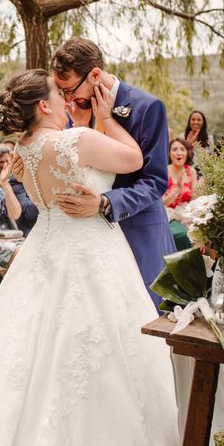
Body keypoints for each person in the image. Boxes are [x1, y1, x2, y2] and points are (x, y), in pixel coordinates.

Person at [0, 69, 180, 446]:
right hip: (90, 248)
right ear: (43, 104)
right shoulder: (76, 139)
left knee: (29, 341)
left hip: (45, 247)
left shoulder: (23, 150)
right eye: (60, 94)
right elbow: (134, 159)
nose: (67, 101)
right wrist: (106, 119)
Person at [48, 36, 176, 308]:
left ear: (95, 74)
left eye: (70, 90)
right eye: (62, 92)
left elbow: (154, 182)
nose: (68, 99)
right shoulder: (76, 111)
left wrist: (106, 203)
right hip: (91, 236)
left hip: (138, 228)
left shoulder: (147, 107)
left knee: (147, 314)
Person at [163, 138, 198, 251]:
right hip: (169, 213)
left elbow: (193, 199)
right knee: (181, 235)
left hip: (187, 212)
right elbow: (162, 202)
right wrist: (177, 189)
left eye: (182, 149)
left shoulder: (191, 171)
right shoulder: (164, 171)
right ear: (169, 153)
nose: (178, 152)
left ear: (187, 153)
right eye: (174, 149)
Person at [0, 145, 38, 236]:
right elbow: (30, 212)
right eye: (0, 162)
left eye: (7, 161)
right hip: (26, 233)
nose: (4, 165)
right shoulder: (14, 183)